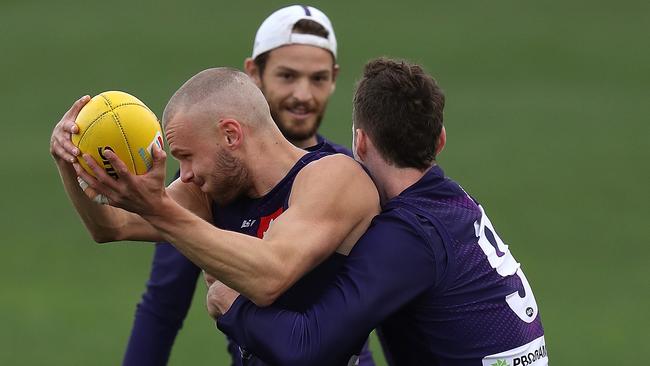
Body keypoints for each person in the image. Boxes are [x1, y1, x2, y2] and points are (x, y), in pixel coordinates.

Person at [208, 58, 548, 366]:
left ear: (361, 142)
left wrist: (234, 305)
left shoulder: (409, 234)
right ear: (440, 140)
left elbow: (305, 348)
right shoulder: (452, 204)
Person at [49, 67, 379, 366]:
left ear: (231, 135)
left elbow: (271, 276)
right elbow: (111, 226)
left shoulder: (334, 176)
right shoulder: (210, 192)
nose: (186, 175)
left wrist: (158, 208)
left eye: (188, 157)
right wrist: (68, 160)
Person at [118, 5, 376, 365]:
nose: (303, 95)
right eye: (287, 76)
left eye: (317, 79)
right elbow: (164, 304)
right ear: (254, 73)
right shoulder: (206, 179)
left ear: (334, 78)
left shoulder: (347, 175)